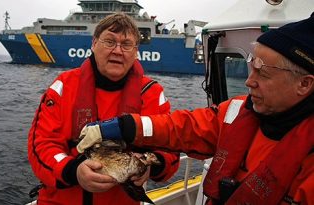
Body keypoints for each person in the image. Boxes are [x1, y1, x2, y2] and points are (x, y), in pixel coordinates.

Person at [77, 14, 314, 204]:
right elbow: (182, 127)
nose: (248, 81)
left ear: (304, 83)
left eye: (262, 73)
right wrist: (121, 126)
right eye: (250, 68)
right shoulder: (235, 111)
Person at [27, 13, 179, 205]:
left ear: (136, 51)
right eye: (109, 41)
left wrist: (150, 167)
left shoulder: (151, 93)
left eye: (126, 44)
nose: (117, 51)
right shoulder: (63, 87)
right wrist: (73, 171)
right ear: (94, 43)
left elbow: (171, 152)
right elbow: (41, 146)